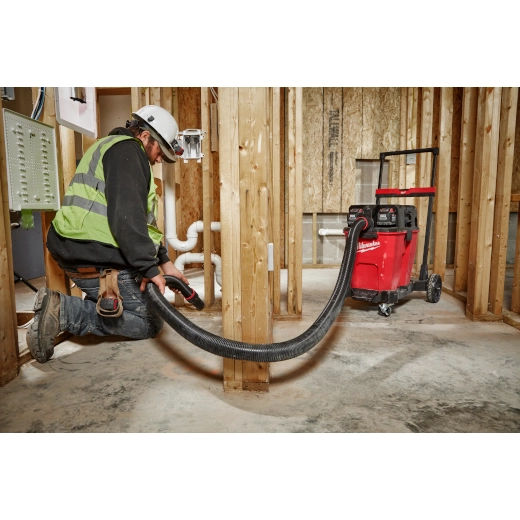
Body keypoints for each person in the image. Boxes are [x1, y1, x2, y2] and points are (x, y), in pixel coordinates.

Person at [27, 105, 189, 363]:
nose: (160, 159)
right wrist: (149, 269)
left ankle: (92, 305)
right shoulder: (128, 152)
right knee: (148, 321)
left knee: (147, 303)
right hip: (92, 252)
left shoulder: (113, 148)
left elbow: (141, 222)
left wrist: (164, 262)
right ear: (145, 136)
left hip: (79, 246)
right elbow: (126, 220)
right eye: (160, 151)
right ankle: (65, 311)